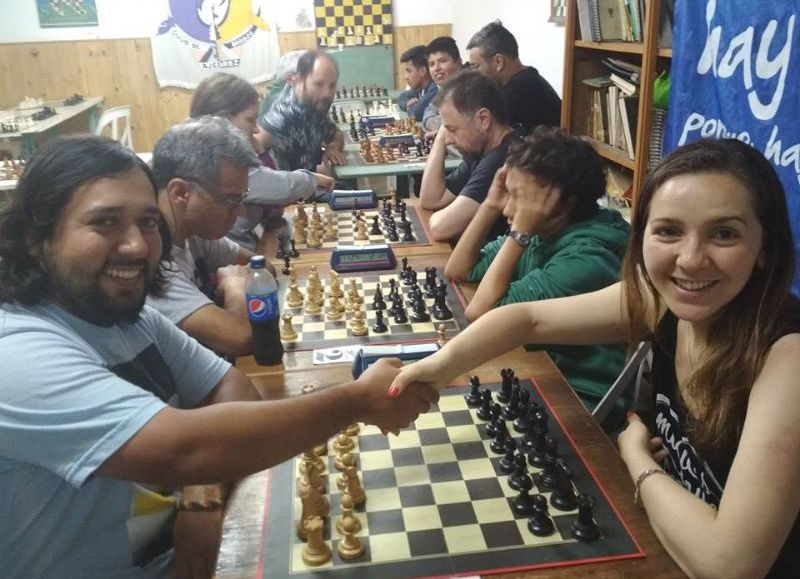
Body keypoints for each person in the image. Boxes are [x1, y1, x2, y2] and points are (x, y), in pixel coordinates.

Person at [0, 134, 437, 579]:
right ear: (36, 238)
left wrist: (201, 493)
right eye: (105, 222)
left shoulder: (128, 317)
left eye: (148, 223)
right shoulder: (16, 354)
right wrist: (357, 400)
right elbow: (184, 449)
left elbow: (234, 387)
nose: (137, 245)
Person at [392, 138, 800, 579]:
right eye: (668, 231)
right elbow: (526, 319)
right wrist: (437, 368)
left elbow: (730, 564)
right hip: (664, 536)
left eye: (724, 234)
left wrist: (636, 459)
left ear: (765, 245)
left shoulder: (788, 358)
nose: (690, 259)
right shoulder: (662, 300)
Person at [445, 127, 629, 410]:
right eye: (508, 195)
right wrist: (491, 203)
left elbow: (480, 314)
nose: (508, 210)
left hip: (574, 396)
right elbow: (458, 269)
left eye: (520, 198)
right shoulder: (543, 231)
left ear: (560, 203)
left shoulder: (587, 258)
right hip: (531, 366)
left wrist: (520, 231)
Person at [147, 116, 265, 357]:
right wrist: (234, 287)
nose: (241, 211)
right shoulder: (151, 262)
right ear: (181, 193)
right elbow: (241, 338)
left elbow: (260, 267)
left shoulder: (194, 232)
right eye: (231, 199)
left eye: (242, 198)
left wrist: (244, 279)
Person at [190, 72, 334, 250]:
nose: (256, 129)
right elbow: (274, 186)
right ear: (223, 119)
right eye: (250, 120)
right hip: (231, 253)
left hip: (243, 245)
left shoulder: (223, 145)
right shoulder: (214, 157)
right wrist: (312, 179)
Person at [420, 69, 518, 242]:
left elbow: (440, 228)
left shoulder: (504, 158)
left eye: (453, 129)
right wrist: (441, 137)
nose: (449, 140)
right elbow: (431, 199)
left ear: (483, 119)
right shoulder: (480, 151)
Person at [466, 21, 561, 134]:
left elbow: (479, 135)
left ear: (498, 61)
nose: (474, 75)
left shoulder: (515, 94)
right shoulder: (529, 78)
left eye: (475, 66)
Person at [257, 50, 345, 172]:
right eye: (318, 84)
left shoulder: (311, 104)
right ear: (297, 80)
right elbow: (254, 151)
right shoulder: (281, 117)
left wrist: (332, 148)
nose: (327, 93)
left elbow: (336, 135)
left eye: (332, 85)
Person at [421, 36, 464, 134]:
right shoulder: (444, 88)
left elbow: (458, 122)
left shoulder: (470, 87)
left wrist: (438, 124)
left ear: (459, 63)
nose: (436, 68)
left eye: (443, 61)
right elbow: (428, 111)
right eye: (432, 64)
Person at [396, 44, 438, 123]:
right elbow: (402, 97)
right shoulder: (419, 88)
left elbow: (416, 114)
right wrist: (407, 104)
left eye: (409, 71)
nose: (405, 77)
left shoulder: (434, 89)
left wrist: (410, 108)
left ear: (422, 71)